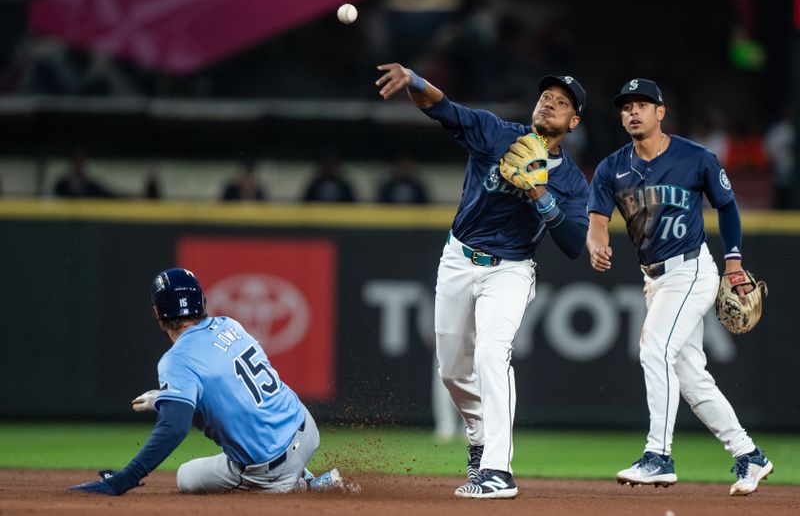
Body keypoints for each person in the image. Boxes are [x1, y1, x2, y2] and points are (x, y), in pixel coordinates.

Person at [376, 63, 589, 498]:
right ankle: (479, 437)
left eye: (562, 102)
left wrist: (538, 192)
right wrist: (415, 81)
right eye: (546, 95)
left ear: (574, 121)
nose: (550, 102)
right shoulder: (496, 134)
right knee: (452, 371)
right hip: (458, 258)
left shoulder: (568, 179)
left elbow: (572, 242)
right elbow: (444, 109)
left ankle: (498, 470)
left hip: (510, 270)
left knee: (492, 354)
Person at [586, 78, 773, 496]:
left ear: (660, 112)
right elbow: (598, 220)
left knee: (654, 349)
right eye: (626, 107)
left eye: (642, 105)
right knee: (690, 377)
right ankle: (749, 455)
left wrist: (735, 263)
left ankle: (658, 456)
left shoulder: (695, 157)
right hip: (654, 278)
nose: (633, 112)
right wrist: (595, 244)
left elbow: (727, 206)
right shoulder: (611, 168)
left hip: (690, 271)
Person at [68, 268, 342, 495]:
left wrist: (123, 481)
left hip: (271, 470)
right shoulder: (229, 324)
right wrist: (162, 399)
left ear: (156, 311)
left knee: (186, 477)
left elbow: (174, 428)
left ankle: (301, 486)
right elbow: (230, 387)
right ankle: (307, 475)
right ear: (201, 300)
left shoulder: (176, 360)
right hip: (306, 431)